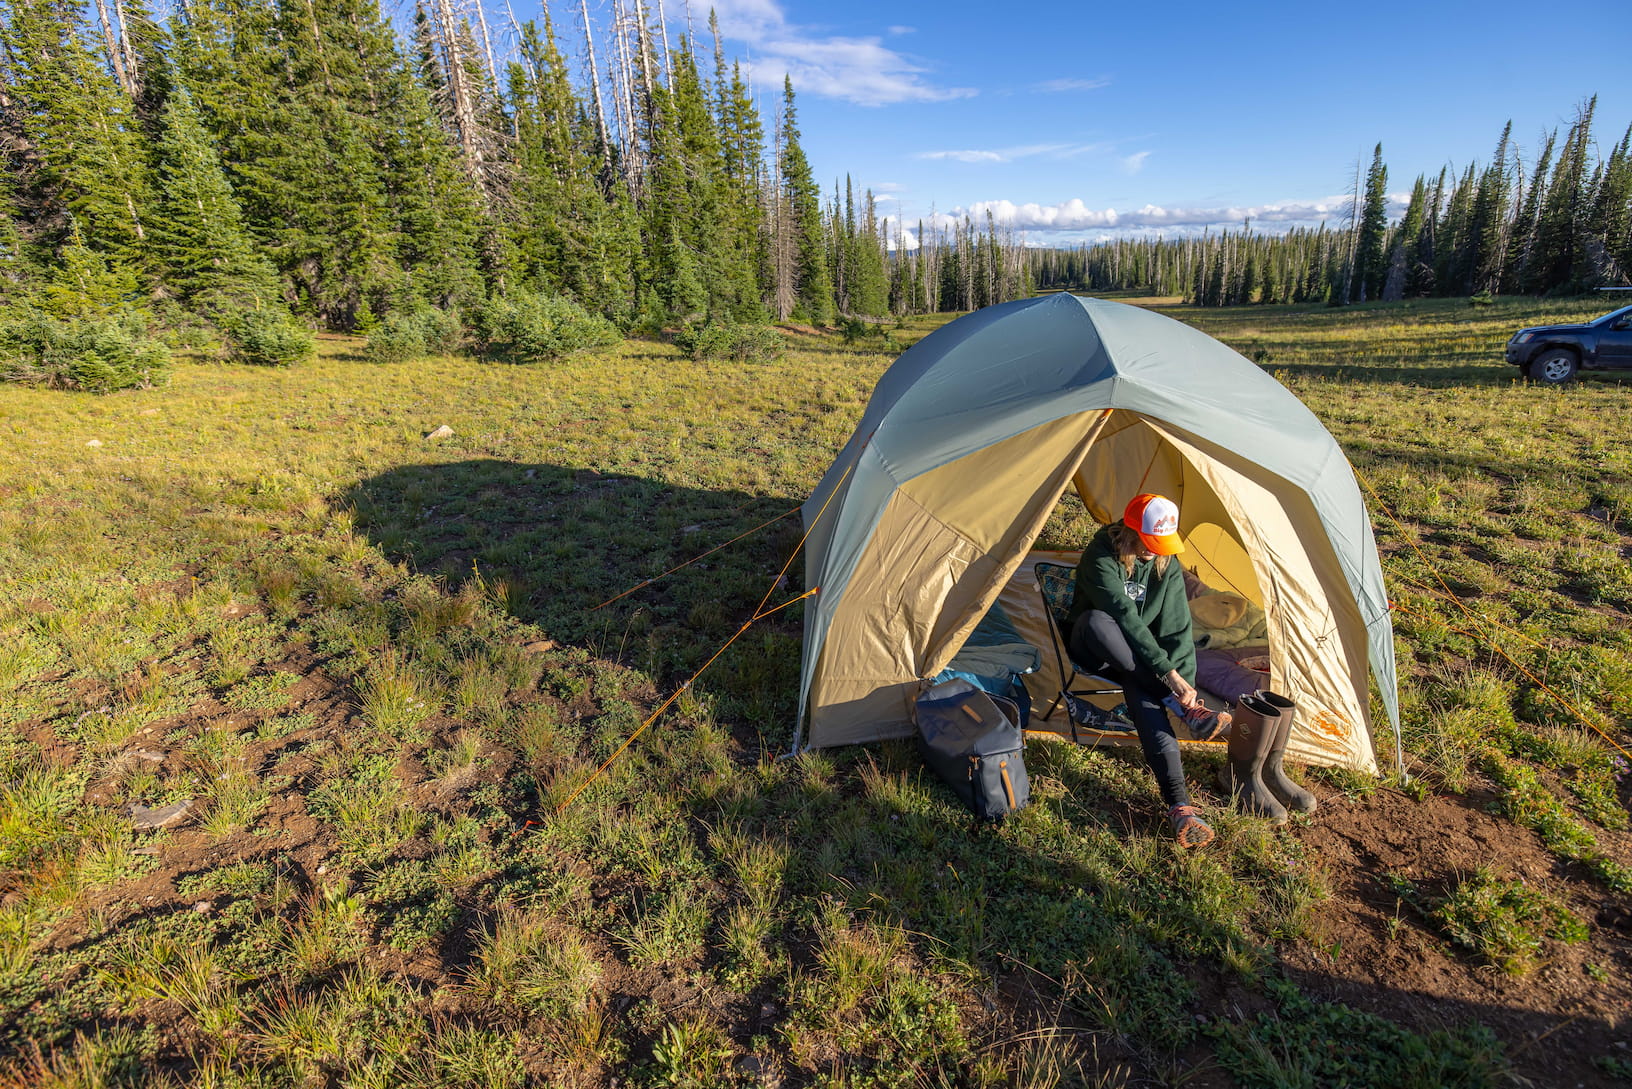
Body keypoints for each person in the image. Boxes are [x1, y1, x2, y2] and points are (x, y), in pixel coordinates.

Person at [1065, 494, 1230, 848]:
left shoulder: (1165, 562)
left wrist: (1186, 686)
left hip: (1137, 662)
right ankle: (1172, 702)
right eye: (1148, 542)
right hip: (1094, 645)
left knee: (1142, 686)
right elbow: (1125, 617)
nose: (1154, 551)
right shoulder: (1100, 557)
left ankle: (1180, 806)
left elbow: (1176, 628)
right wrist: (1169, 678)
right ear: (1129, 532)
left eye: (1161, 544)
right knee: (1098, 621)